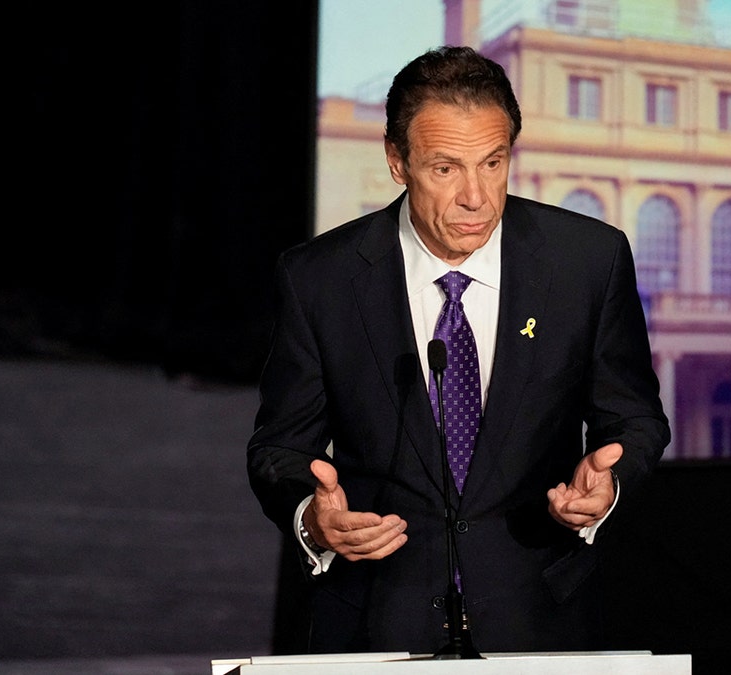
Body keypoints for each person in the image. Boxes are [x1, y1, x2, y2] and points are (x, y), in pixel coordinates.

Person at [247, 45, 670, 655]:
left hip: (541, 617)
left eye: (493, 163)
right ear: (398, 161)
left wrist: (609, 485)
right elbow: (281, 448)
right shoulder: (320, 279)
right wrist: (311, 518)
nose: (477, 196)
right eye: (446, 168)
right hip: (378, 622)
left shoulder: (588, 261)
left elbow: (634, 418)